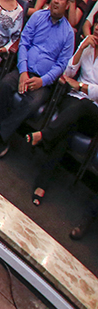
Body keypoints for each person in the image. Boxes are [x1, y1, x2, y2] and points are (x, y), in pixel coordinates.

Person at [0, 0, 75, 158]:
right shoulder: (38, 17)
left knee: (32, 103)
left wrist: (42, 81)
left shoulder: (68, 33)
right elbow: (24, 44)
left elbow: (61, 66)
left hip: (44, 82)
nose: (56, 1)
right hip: (25, 69)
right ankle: (3, 135)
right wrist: (23, 72)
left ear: (67, 4)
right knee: (5, 84)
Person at [31, 30, 98, 205]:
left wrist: (81, 86)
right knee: (67, 129)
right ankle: (41, 184)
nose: (97, 28)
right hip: (74, 102)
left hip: (93, 112)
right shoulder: (88, 47)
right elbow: (68, 72)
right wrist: (82, 48)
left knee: (82, 106)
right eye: (97, 24)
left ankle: (44, 134)